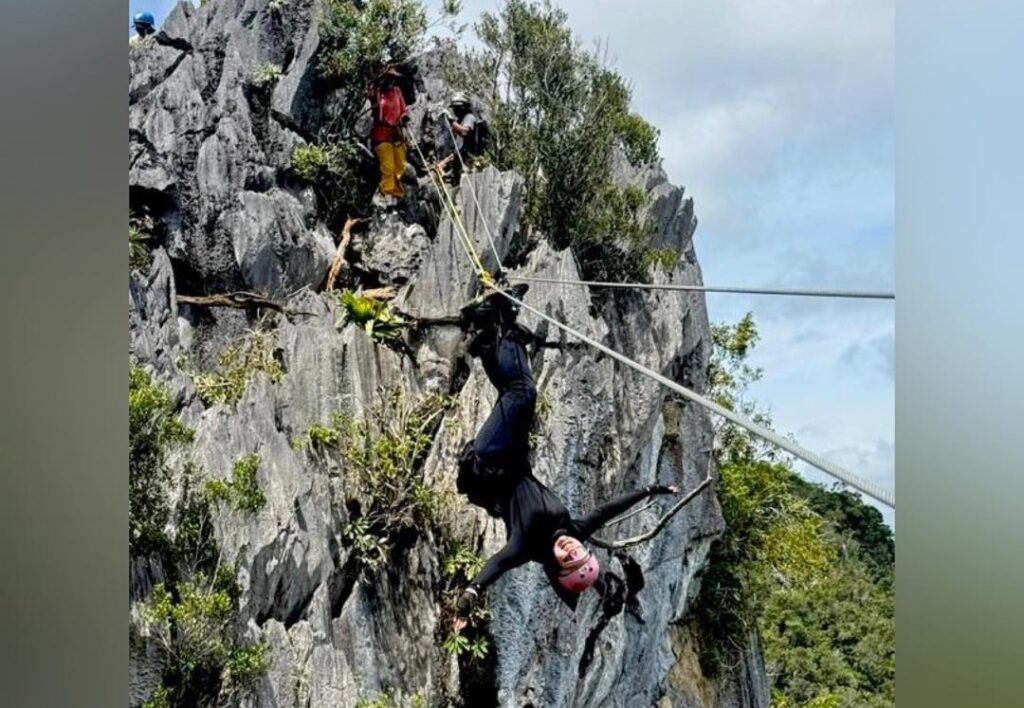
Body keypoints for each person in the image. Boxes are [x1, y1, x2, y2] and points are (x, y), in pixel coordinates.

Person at [453, 285, 680, 619]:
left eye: (569, 559)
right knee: (515, 394)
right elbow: (608, 509)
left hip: (488, 465)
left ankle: (497, 323)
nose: (572, 549)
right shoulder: (573, 531)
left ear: (557, 567)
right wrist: (652, 489)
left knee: (520, 394)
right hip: (516, 459)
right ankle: (488, 337)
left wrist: (472, 592)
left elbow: (498, 564)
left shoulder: (527, 547)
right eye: (580, 553)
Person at [368, 66, 414, 207]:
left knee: (400, 165)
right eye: (388, 77)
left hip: (396, 133)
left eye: (393, 78)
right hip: (381, 133)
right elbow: (368, 97)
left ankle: (396, 195)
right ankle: (386, 194)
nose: (391, 81)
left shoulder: (397, 91)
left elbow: (403, 110)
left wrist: (404, 117)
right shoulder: (376, 91)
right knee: (388, 165)